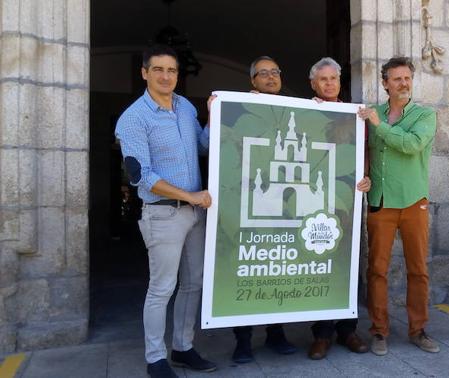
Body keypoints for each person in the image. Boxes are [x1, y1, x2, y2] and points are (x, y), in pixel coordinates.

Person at [115, 45, 216, 378]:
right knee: (161, 288)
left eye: (171, 70)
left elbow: (203, 146)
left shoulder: (186, 107)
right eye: (158, 69)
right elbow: (141, 176)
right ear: (144, 73)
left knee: (193, 283)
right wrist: (189, 195)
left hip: (195, 213)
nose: (165, 76)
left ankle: (183, 348)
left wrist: (216, 118)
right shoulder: (133, 118)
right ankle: (155, 358)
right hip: (163, 214)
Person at [357, 57, 439, 356]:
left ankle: (418, 330)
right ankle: (379, 331)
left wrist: (379, 126)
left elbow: (411, 145)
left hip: (413, 201)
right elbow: (357, 146)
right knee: (376, 269)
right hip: (380, 201)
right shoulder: (372, 113)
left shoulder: (425, 115)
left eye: (407, 78)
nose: (403, 83)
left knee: (418, 270)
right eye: (397, 79)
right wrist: (363, 175)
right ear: (385, 83)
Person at [230, 56, 297, 364]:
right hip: (252, 201)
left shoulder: (297, 110)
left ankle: (276, 332)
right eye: (263, 73)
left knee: (278, 270)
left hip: (285, 206)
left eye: (275, 72)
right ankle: (243, 340)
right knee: (249, 271)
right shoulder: (241, 111)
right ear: (252, 81)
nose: (271, 77)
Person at [306, 57, 370, 360]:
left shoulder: (354, 115)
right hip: (315, 200)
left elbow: (364, 153)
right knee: (320, 261)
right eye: (323, 79)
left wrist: (366, 176)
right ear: (313, 84)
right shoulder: (305, 113)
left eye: (334, 78)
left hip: (348, 201)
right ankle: (321, 333)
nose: (329, 83)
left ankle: (348, 330)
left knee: (350, 263)